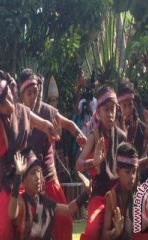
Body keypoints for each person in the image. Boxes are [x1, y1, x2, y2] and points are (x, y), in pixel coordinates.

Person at [0, 70, 60, 240]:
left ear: (11, 90)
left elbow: (43, 124)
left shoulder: (23, 110)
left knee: (34, 227)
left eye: (9, 96)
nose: (8, 103)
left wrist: (53, 129)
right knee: (6, 232)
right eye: (2, 103)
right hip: (7, 187)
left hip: (26, 183)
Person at [18, 69, 87, 240]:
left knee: (64, 224)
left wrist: (80, 136)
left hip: (49, 180)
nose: (33, 96)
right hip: (28, 184)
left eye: (35, 91)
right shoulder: (18, 116)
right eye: (29, 93)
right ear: (22, 96)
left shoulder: (48, 111)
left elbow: (69, 124)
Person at [75, 86, 127, 240]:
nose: (110, 114)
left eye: (113, 110)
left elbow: (131, 165)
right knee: (91, 231)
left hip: (119, 193)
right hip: (99, 194)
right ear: (98, 113)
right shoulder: (94, 135)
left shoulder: (122, 137)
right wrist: (94, 161)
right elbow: (78, 164)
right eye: (106, 110)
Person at [8, 150, 89, 240]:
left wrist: (86, 193)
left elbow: (69, 209)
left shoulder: (46, 202)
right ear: (24, 181)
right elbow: (12, 213)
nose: (38, 177)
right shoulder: (21, 201)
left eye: (39, 171)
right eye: (33, 173)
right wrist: (18, 175)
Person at [117, 81, 148, 182]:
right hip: (113, 183)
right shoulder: (110, 128)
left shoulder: (139, 126)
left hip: (133, 182)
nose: (127, 109)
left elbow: (135, 163)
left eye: (130, 105)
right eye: (124, 105)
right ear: (118, 106)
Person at [102, 142, 139, 240]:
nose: (132, 177)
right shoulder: (111, 197)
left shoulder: (138, 194)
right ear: (118, 171)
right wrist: (116, 231)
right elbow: (104, 235)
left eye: (134, 172)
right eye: (127, 172)